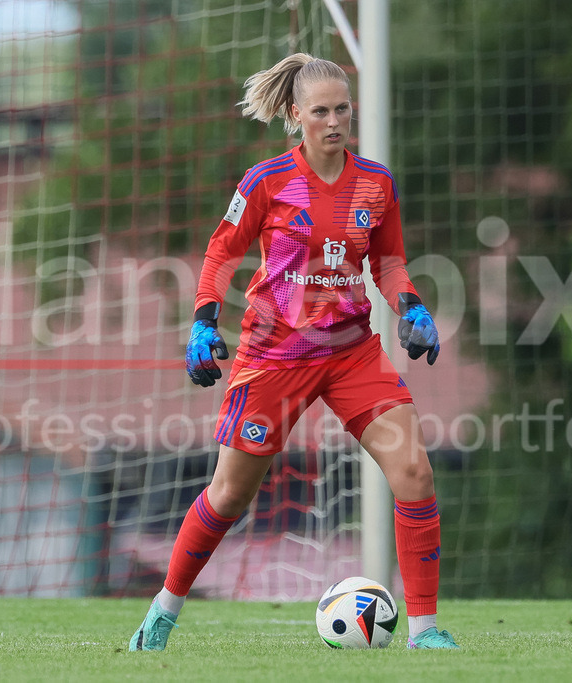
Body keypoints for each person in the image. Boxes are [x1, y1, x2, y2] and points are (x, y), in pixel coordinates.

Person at [130, 53, 459, 651]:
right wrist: (203, 322)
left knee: (414, 471)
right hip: (274, 354)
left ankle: (426, 632)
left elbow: (388, 262)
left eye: (342, 109)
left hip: (352, 350)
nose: (334, 121)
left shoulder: (376, 183)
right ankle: (163, 611)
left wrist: (411, 306)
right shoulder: (265, 182)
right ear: (294, 115)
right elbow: (219, 254)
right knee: (229, 494)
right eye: (321, 111)